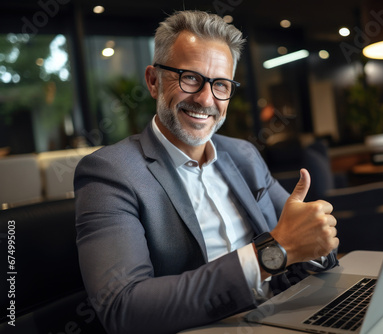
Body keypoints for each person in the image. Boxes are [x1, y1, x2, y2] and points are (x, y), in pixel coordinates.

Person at [74, 10, 339, 334]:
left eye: (221, 85)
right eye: (189, 78)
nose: (205, 99)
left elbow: (301, 239)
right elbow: (123, 308)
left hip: (282, 318)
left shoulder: (243, 155)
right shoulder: (110, 173)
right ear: (154, 81)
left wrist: (315, 241)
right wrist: (272, 255)